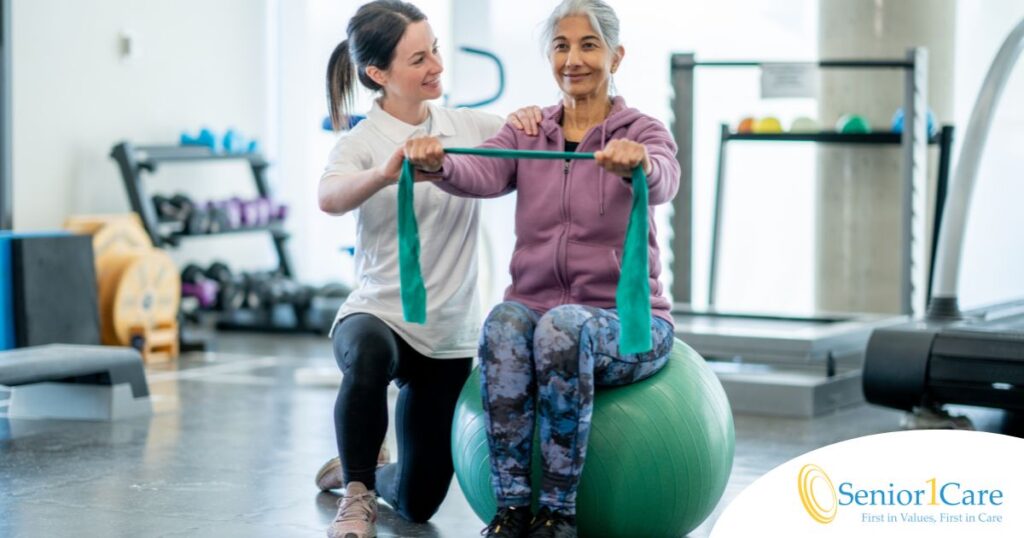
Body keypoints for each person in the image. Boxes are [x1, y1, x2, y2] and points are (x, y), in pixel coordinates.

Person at [403, 1, 680, 536]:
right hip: (540, 317)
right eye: (561, 46)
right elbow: (479, 167)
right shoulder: (528, 131)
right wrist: (438, 162)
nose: (573, 58)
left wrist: (639, 163)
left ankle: (557, 515)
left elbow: (667, 177)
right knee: (506, 321)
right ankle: (511, 510)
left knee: (561, 329)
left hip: (628, 327)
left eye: (588, 45)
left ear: (616, 55)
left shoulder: (641, 131)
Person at [316, 2, 539, 537]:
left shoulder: (467, 126)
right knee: (367, 355)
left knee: (418, 504)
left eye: (435, 49)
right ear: (379, 74)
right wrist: (383, 174)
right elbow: (328, 196)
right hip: (379, 314)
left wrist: (533, 119)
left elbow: (531, 139)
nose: (437, 64)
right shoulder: (360, 143)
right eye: (419, 58)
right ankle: (356, 493)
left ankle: (358, 470)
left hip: (447, 334)